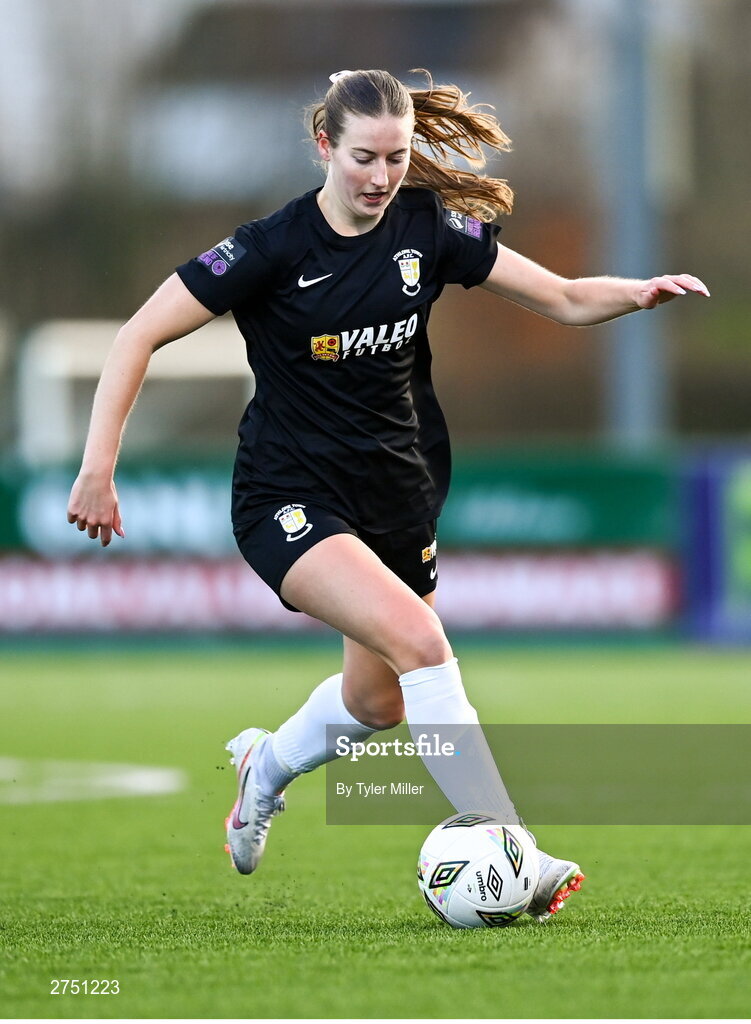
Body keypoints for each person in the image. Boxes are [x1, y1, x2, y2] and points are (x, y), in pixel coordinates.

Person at [67, 68, 709, 923]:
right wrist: (96, 468)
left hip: (398, 497)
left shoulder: (427, 227)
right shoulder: (270, 247)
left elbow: (556, 296)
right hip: (288, 498)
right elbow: (138, 334)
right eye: (365, 157)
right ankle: (512, 845)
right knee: (421, 640)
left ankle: (266, 767)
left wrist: (631, 293)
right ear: (325, 145)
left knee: (378, 701)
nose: (381, 176)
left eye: (397, 158)